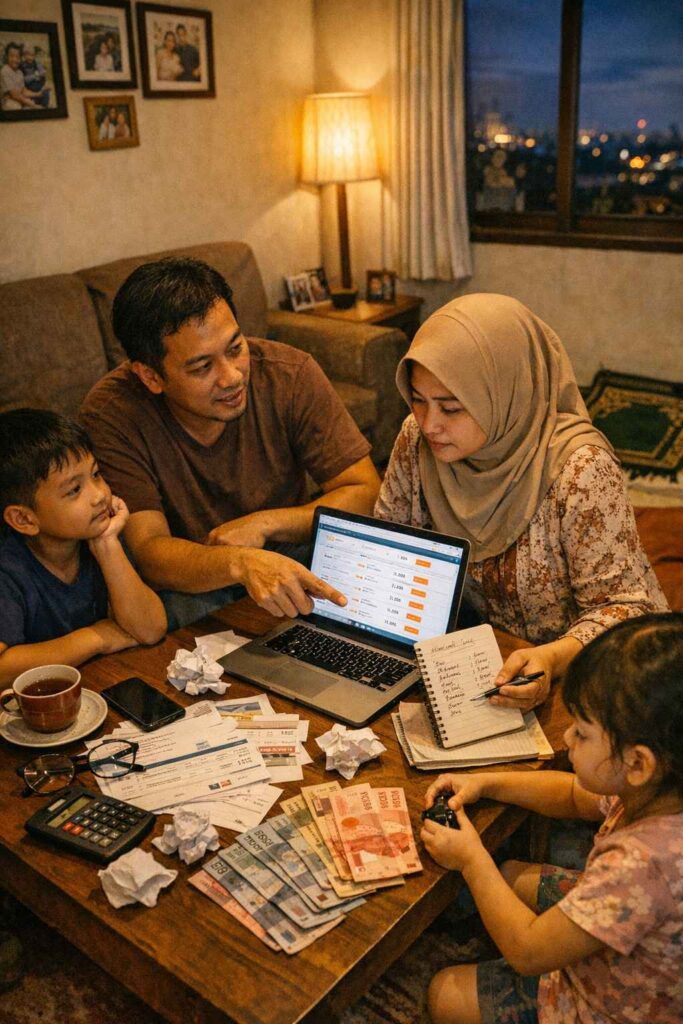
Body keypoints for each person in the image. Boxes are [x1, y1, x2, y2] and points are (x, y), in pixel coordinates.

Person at [375, 294, 667, 711]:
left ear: (505, 395)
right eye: (418, 399)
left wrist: (550, 658)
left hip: (586, 673)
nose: (429, 423)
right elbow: (391, 544)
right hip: (477, 666)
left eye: (451, 407)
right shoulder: (417, 439)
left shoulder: (580, 470)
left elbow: (624, 610)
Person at [79, 257, 380, 628]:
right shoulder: (112, 413)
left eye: (235, 348)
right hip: (193, 582)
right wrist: (240, 563)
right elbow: (149, 552)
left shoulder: (290, 374)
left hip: (292, 553)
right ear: (150, 377)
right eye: (202, 367)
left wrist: (266, 524)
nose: (232, 377)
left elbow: (365, 491)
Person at [421, 612, 683, 1024]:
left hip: (606, 1005)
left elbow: (528, 953)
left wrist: (471, 859)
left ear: (638, 763)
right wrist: (485, 782)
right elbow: (573, 796)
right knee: (508, 874)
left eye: (582, 732)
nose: (566, 737)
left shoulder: (641, 865)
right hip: (634, 928)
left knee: (443, 994)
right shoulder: (662, 788)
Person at [0, 410, 166, 685]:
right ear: (24, 519)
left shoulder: (94, 537)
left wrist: (107, 545)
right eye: (74, 490)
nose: (99, 495)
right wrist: (96, 638)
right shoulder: (8, 569)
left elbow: (150, 630)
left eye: (96, 474)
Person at [1, 42, 39, 111]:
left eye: (17, 57)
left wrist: (37, 94)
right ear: (7, 56)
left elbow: (24, 91)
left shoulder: (19, 72)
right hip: (8, 101)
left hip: (19, 99)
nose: (15, 59)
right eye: (11, 56)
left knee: (31, 104)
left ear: (21, 58)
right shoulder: (5, 70)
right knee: (17, 107)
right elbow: (14, 95)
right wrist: (31, 104)